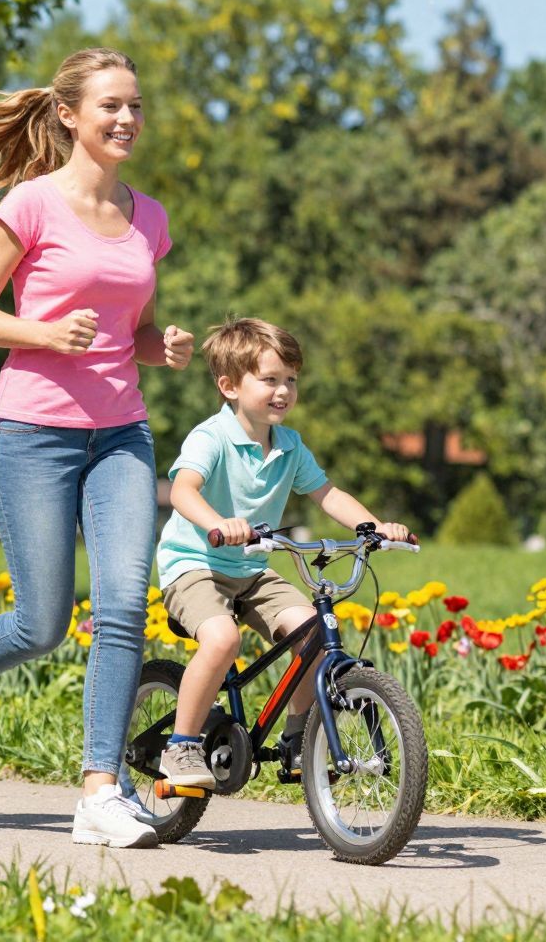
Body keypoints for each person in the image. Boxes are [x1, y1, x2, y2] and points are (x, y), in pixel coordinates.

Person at [0, 47, 195, 849]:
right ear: (69, 115)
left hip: (121, 435)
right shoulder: (31, 205)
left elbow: (131, 330)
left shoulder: (149, 217)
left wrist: (161, 346)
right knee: (41, 624)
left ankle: (100, 789)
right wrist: (44, 333)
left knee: (122, 607)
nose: (127, 119)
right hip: (33, 432)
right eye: (111, 105)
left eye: (135, 105)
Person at [154, 318, 412, 788]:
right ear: (229, 386)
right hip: (195, 566)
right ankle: (182, 746)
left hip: (251, 568)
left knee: (313, 633)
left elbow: (327, 494)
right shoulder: (211, 437)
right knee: (222, 640)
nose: (283, 390)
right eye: (269, 379)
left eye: (291, 379)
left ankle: (297, 739)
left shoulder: (290, 445)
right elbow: (182, 491)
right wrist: (218, 523)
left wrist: (374, 528)